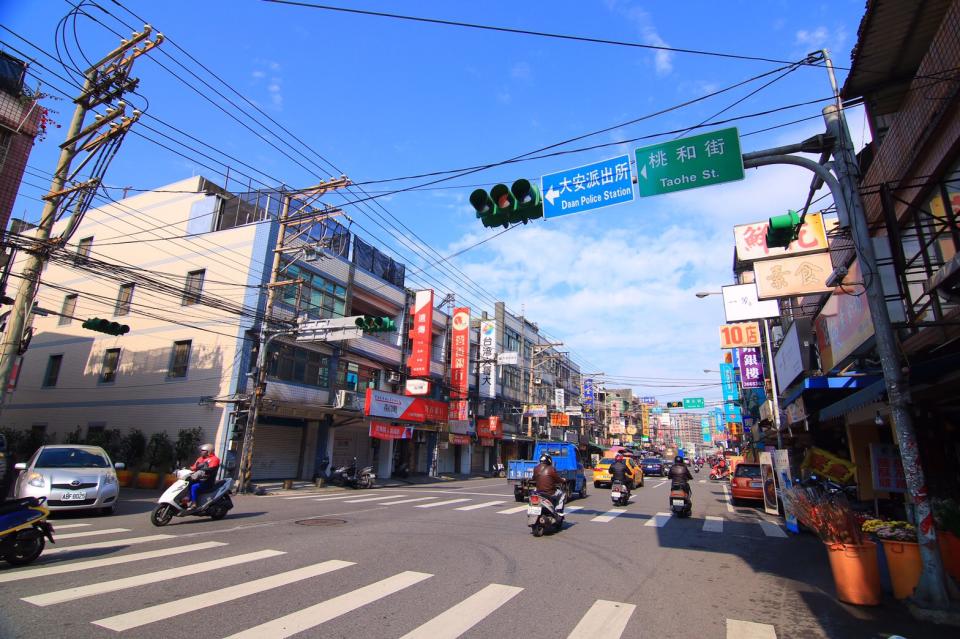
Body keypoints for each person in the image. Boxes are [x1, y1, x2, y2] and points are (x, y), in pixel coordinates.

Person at [187, 443, 220, 509]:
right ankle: (188, 500)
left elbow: (210, 469)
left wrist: (201, 470)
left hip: (207, 481)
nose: (201, 452)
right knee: (186, 484)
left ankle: (194, 503)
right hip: (198, 479)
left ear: (208, 451)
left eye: (203, 451)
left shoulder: (214, 459)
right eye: (201, 450)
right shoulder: (200, 459)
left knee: (194, 487)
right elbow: (194, 467)